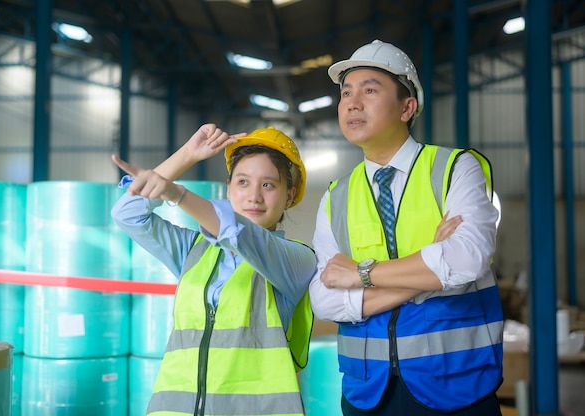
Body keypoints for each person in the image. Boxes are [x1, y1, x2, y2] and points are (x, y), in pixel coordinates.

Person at [309, 39, 504, 415]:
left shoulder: (453, 169)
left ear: (407, 106)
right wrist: (427, 269)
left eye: (369, 90)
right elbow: (325, 298)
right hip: (368, 393)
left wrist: (361, 275)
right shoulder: (336, 196)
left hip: (457, 385)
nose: (352, 102)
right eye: (346, 92)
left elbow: (466, 260)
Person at [111, 124, 316, 416]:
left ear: (289, 195)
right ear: (228, 188)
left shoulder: (296, 260)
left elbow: (240, 233)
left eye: (268, 185)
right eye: (243, 182)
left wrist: (177, 193)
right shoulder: (193, 251)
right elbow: (127, 214)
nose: (254, 196)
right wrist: (188, 155)